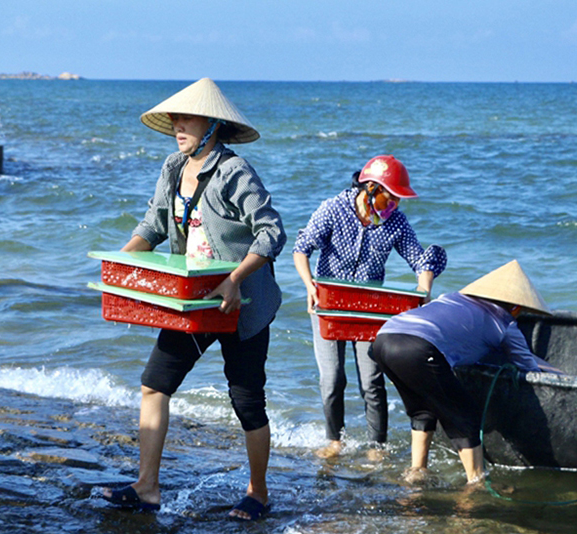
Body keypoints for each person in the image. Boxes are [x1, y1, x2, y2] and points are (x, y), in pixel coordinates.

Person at [101, 78, 286, 521]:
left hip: (243, 306)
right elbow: (153, 227)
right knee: (153, 384)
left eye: (186, 118)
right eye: (174, 119)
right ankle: (146, 486)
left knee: (247, 401)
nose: (177, 126)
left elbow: (272, 232)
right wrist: (120, 266)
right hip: (192, 302)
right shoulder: (171, 167)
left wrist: (236, 278)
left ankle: (257, 492)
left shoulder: (233, 171)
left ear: (213, 125)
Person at [292, 155, 447, 459]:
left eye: (399, 201)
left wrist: (424, 291)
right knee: (332, 378)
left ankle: (377, 446)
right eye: (391, 198)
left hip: (369, 310)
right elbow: (302, 247)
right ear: (372, 189)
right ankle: (334, 440)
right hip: (328, 306)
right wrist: (309, 285)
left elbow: (421, 259)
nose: (395, 206)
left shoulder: (396, 223)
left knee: (372, 382)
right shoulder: (333, 209)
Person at [371, 260, 561, 484]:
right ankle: (476, 482)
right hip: (418, 348)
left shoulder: (451, 298)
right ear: (516, 307)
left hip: (384, 339)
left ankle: (416, 472)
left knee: (422, 410)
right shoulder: (505, 323)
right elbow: (526, 366)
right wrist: (556, 373)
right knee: (466, 417)